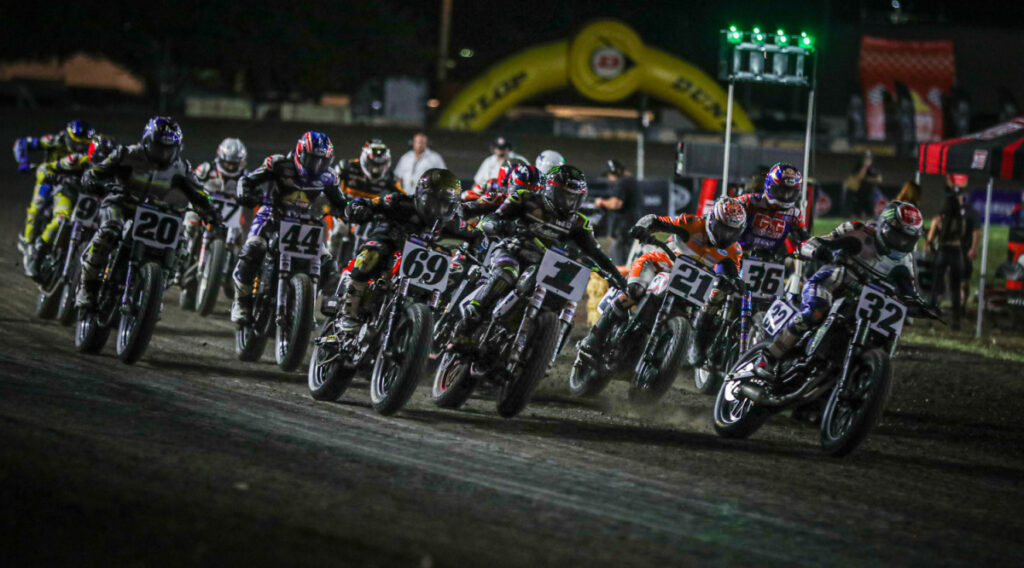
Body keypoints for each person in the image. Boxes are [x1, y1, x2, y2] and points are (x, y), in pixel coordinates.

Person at [454, 165, 627, 346]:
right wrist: (498, 225)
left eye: (573, 197)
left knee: (561, 297)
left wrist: (618, 279)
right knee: (506, 272)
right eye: (565, 195)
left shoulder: (579, 222)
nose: (568, 202)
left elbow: (597, 253)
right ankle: (469, 322)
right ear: (551, 189)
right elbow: (495, 217)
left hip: (545, 266)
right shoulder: (525, 198)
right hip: (513, 252)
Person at [757, 202, 927, 377]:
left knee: (884, 334)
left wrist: (917, 306)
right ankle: (770, 357)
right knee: (815, 311)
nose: (901, 242)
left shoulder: (905, 261)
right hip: (829, 284)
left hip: (862, 303)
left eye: (907, 239)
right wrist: (819, 251)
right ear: (884, 225)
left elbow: (910, 292)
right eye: (897, 235)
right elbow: (816, 242)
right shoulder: (857, 231)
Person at [75, 117, 219, 308]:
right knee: (110, 230)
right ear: (147, 142)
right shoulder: (126, 154)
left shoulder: (181, 168)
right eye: (159, 148)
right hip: (122, 204)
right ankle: (87, 287)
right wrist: (92, 180)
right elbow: (96, 172)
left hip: (156, 212)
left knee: (181, 245)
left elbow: (199, 192)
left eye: (169, 149)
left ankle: (157, 289)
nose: (164, 153)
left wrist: (211, 211)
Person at [581, 197, 746, 357]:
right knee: (634, 291)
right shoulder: (691, 223)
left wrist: (737, 283)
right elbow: (654, 220)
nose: (725, 235)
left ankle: (691, 349)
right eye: (722, 228)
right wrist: (642, 228)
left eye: (731, 231)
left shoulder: (734, 250)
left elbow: (732, 274)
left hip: (692, 283)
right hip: (660, 263)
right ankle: (594, 337)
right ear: (711, 220)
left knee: (709, 305)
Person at [337, 168, 476, 332]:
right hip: (389, 243)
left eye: (446, 205)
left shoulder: (452, 222)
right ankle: (349, 310)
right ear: (421, 196)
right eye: (434, 203)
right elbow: (369, 203)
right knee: (372, 254)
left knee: (454, 271)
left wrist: (489, 238)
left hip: (420, 260)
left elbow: (474, 235)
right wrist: (357, 207)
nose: (439, 209)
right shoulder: (399, 202)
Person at [230, 132, 347, 324]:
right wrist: (246, 194)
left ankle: (319, 301)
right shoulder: (277, 163)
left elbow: (342, 201)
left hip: (305, 222)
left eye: (321, 161)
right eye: (311, 159)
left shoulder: (329, 176)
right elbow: (248, 180)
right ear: (300, 153)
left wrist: (351, 211)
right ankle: (240, 302)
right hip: (271, 215)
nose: (316, 166)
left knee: (328, 262)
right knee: (253, 247)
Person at [14, 120, 95, 258]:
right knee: (38, 205)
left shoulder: (87, 152)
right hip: (49, 179)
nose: (79, 146)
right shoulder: (54, 140)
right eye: (76, 142)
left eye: (82, 143)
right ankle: (28, 240)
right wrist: (23, 162)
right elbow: (22, 143)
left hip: (72, 184)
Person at [735, 162, 809, 259]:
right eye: (781, 191)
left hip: (772, 260)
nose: (785, 196)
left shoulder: (795, 214)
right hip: (738, 255)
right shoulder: (750, 201)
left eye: (790, 192)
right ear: (769, 186)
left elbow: (805, 241)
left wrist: (812, 250)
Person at [926, 177, 971, 330]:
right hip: (956, 252)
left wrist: (931, 244)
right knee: (955, 287)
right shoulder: (961, 220)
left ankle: (931, 317)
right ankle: (956, 320)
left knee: (936, 285)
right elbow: (962, 235)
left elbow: (930, 238)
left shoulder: (939, 218)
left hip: (943, 250)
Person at [596, 159, 644, 265]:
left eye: (609, 175)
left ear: (615, 172)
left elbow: (616, 203)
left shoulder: (623, 182)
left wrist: (602, 202)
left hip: (624, 229)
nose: (609, 178)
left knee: (619, 263)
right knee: (623, 259)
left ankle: (621, 281)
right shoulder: (632, 181)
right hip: (632, 226)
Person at [843, 151, 882, 218]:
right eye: (866, 158)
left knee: (870, 211)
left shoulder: (874, 167)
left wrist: (868, 179)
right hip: (860, 190)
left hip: (870, 190)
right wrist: (865, 167)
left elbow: (879, 179)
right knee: (858, 211)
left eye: (869, 158)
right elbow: (859, 177)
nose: (867, 160)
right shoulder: (859, 166)